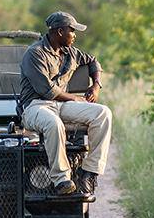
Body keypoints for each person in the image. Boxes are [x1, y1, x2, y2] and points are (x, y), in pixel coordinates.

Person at [18, 11, 111, 197]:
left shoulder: (70, 52)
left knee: (103, 113)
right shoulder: (34, 54)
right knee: (53, 123)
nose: (75, 35)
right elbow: (47, 90)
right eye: (72, 30)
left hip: (60, 106)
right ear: (60, 32)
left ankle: (89, 173)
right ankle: (62, 180)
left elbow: (93, 61)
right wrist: (74, 98)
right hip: (35, 106)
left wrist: (96, 86)